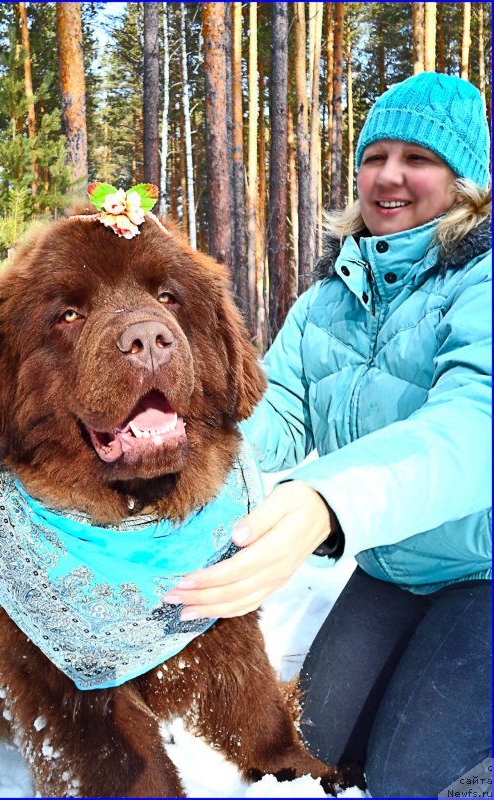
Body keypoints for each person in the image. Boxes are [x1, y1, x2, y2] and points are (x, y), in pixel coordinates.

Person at [164, 72, 492, 797]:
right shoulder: (328, 300)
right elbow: (274, 411)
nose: (389, 177)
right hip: (392, 566)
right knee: (309, 751)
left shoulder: (482, 280)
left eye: (419, 159)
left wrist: (322, 502)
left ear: (464, 179)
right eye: (375, 156)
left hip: (484, 567)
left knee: (415, 778)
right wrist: (179, 463)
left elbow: (473, 424)